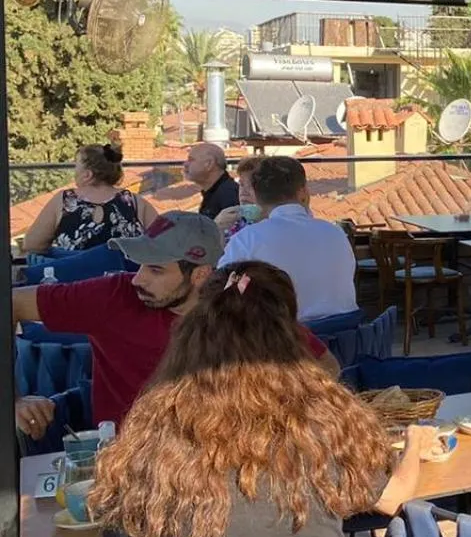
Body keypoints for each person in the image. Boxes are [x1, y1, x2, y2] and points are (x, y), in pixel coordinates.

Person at [89, 262, 440, 537]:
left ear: (193, 332)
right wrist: (414, 443)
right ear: (291, 333)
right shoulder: (326, 420)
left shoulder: (153, 436)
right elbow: (393, 498)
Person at [9, 213, 332, 437]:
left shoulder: (239, 306)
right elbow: (11, 303)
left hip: (223, 459)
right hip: (135, 461)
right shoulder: (113, 295)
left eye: (155, 270)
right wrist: (13, 398)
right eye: (139, 266)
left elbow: (326, 368)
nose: (138, 279)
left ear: (200, 274)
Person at [217, 156, 358, 321]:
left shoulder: (248, 239)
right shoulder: (334, 232)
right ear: (303, 191)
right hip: (347, 339)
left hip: (284, 341)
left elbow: (220, 291)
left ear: (255, 194)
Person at [21, 142, 157, 254]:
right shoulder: (135, 203)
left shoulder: (64, 201)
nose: (74, 173)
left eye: (76, 166)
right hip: (124, 284)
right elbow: (164, 242)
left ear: (87, 175)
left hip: (74, 283)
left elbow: (32, 244)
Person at [184, 142, 239, 220]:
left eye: (191, 160)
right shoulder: (215, 191)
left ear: (209, 164)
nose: (185, 164)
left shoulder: (229, 194)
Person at [212, 156, 263, 240]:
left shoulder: (279, 226)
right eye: (242, 184)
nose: (244, 192)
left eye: (253, 186)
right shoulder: (232, 223)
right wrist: (217, 228)